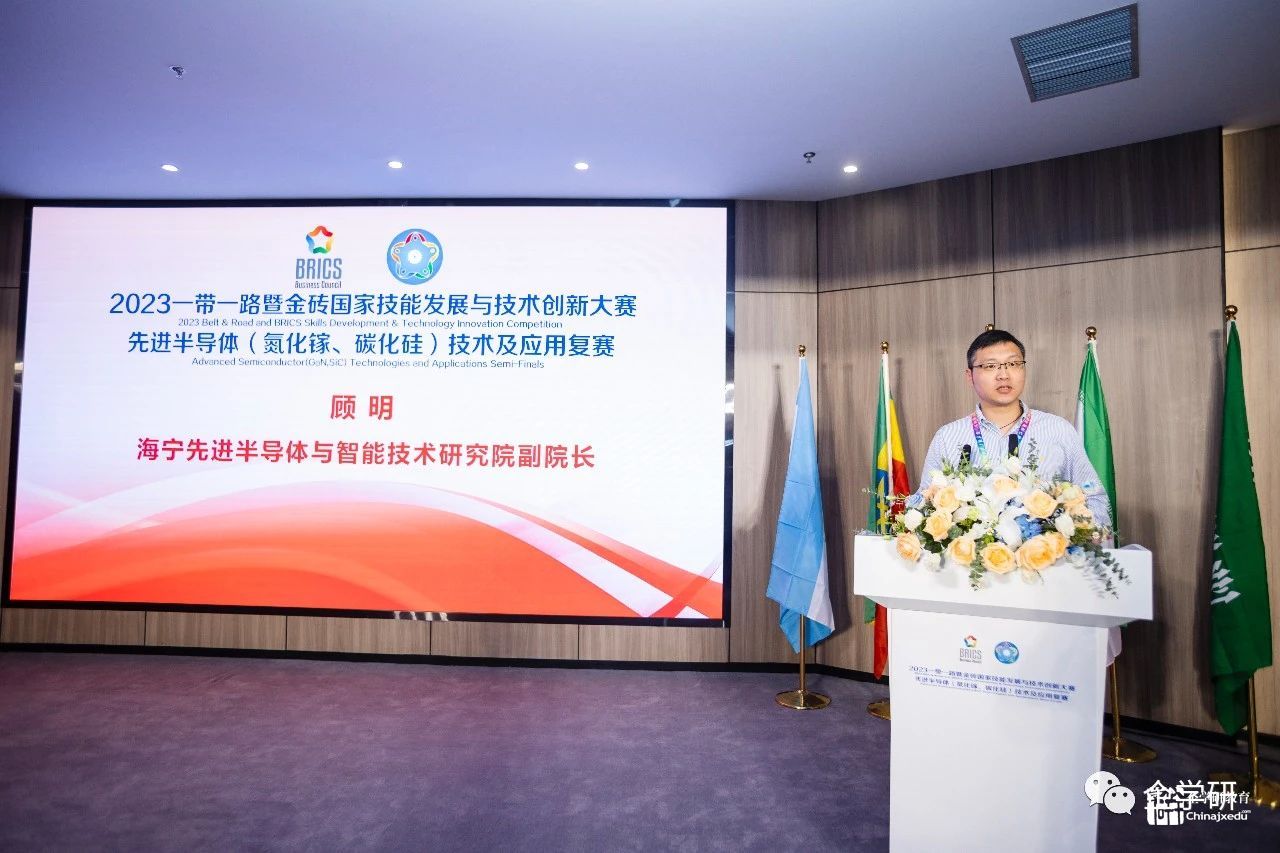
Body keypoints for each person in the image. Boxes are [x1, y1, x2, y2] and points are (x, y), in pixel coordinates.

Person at [912, 328, 1112, 527]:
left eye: (1013, 364)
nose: (1003, 375)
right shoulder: (947, 437)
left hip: (1043, 547)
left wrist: (1075, 532)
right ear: (970, 376)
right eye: (990, 366)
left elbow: (1095, 499)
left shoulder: (1058, 430)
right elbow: (925, 505)